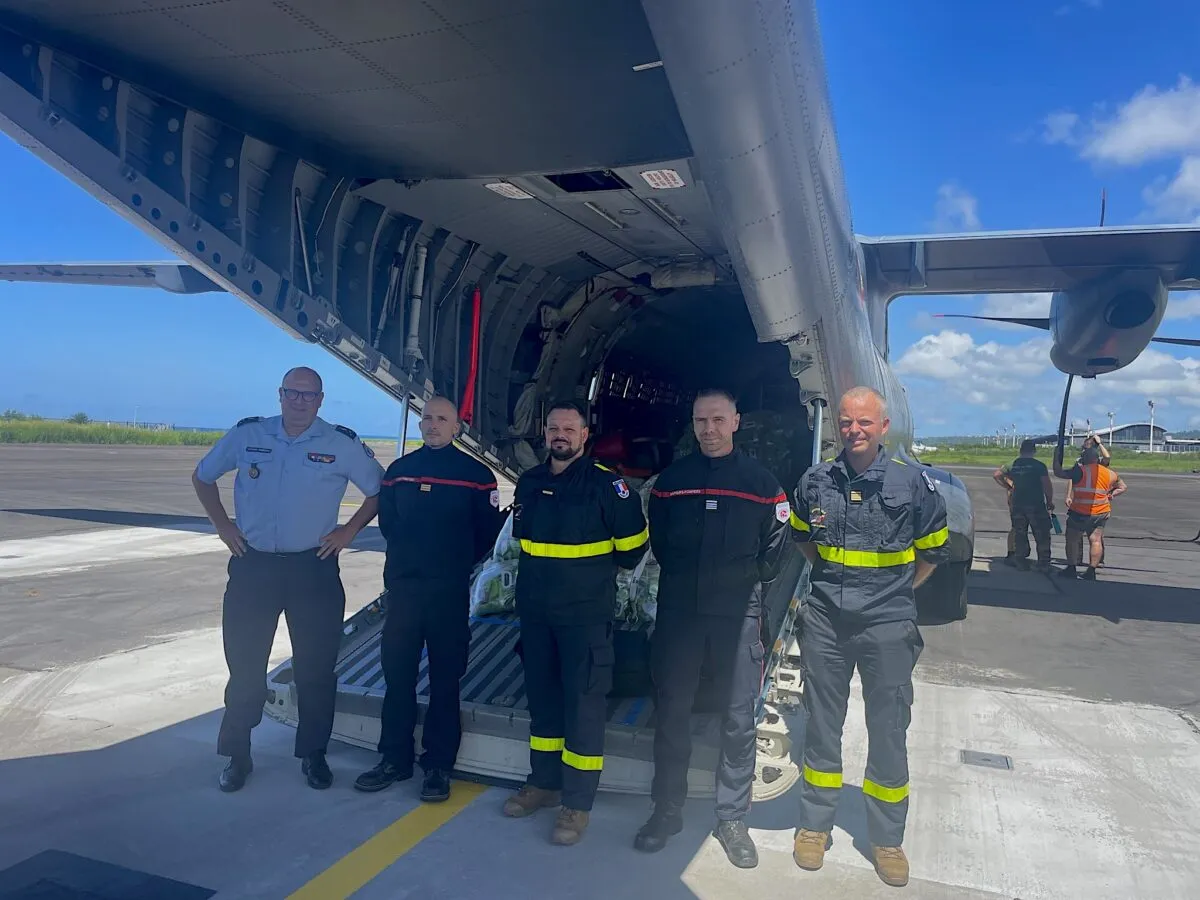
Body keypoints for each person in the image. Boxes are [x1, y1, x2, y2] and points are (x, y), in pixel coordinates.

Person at [191, 366, 384, 792]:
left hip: (312, 568)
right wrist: (223, 526)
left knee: (316, 669)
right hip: (253, 566)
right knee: (245, 666)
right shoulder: (248, 434)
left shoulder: (340, 443)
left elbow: (377, 491)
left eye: (308, 395)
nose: (299, 401)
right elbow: (203, 477)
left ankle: (314, 754)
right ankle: (238, 755)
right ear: (280, 395)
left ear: (320, 400)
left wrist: (349, 532)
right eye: (292, 393)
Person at [787, 386, 949, 888]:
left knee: (888, 728)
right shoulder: (815, 481)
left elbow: (933, 551)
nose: (853, 430)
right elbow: (802, 539)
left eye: (864, 422)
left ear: (883, 427)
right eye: (846, 422)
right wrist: (834, 581)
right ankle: (815, 827)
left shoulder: (913, 483)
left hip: (887, 622)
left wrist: (895, 592)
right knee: (821, 725)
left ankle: (886, 839)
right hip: (826, 621)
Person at [633, 389, 791, 868]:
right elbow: (661, 542)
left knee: (739, 718)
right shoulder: (671, 483)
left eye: (719, 419)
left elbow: (776, 550)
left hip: (737, 616)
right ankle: (667, 809)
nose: (709, 429)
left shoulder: (762, 484)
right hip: (680, 614)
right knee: (672, 712)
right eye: (701, 420)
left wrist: (739, 580)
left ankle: (731, 818)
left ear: (736, 422)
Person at [500, 399, 649, 845]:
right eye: (554, 428)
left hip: (584, 620)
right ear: (544, 433)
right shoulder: (530, 482)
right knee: (543, 703)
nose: (560, 435)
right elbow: (525, 542)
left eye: (569, 428)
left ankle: (577, 804)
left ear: (585, 435)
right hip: (536, 616)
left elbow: (633, 550)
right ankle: (543, 783)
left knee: (583, 709)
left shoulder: (609, 487)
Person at [354, 396, 504, 802]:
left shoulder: (477, 476)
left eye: (442, 419)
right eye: (427, 418)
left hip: (448, 594)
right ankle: (394, 759)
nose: (432, 424)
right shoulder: (399, 473)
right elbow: (390, 525)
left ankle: (438, 765)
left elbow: (486, 534)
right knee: (397, 677)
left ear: (457, 427)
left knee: (445, 680)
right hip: (404, 592)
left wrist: (450, 563)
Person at [1053, 437, 1126, 580]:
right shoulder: (1110, 473)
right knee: (1096, 540)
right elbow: (1122, 486)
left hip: (1080, 511)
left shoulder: (1079, 471)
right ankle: (1091, 570)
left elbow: (1058, 472)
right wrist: (1111, 494)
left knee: (1072, 539)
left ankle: (1071, 567)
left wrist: (1056, 456)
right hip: (1101, 512)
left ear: (1085, 458)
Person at [992, 439, 1054, 571]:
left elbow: (997, 474)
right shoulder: (1039, 466)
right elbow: (1047, 485)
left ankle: (1020, 561)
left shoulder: (1013, 464)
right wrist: (1049, 501)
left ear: (1021, 450)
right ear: (1034, 450)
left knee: (1020, 533)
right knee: (1042, 534)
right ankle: (1043, 563)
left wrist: (1008, 486)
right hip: (1035, 504)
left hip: (1018, 504)